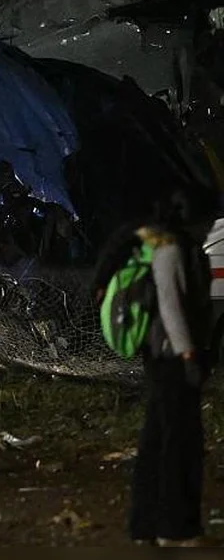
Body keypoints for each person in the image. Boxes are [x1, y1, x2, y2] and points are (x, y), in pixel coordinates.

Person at [124, 193, 214, 547]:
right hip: (172, 360)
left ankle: (145, 524)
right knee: (182, 443)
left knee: (157, 440)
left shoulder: (160, 248)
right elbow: (172, 307)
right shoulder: (172, 251)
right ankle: (176, 527)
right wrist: (189, 355)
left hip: (162, 358)